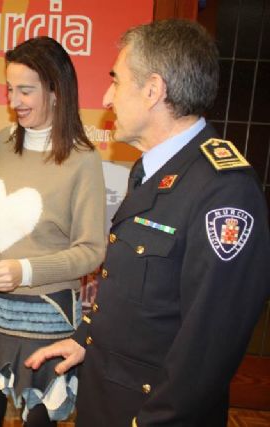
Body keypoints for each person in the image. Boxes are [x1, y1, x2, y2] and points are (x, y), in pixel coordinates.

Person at [25, 19, 270, 427]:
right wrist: (85, 339)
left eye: (116, 81)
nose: (107, 98)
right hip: (107, 396)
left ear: (153, 90)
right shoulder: (152, 170)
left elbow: (209, 346)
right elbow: (134, 290)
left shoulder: (224, 191)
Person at [0, 36, 107, 426]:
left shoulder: (83, 159)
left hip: (45, 316)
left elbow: (91, 251)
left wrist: (26, 271)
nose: (14, 100)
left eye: (25, 90)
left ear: (55, 91)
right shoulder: (4, 141)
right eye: (9, 89)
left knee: (38, 419)